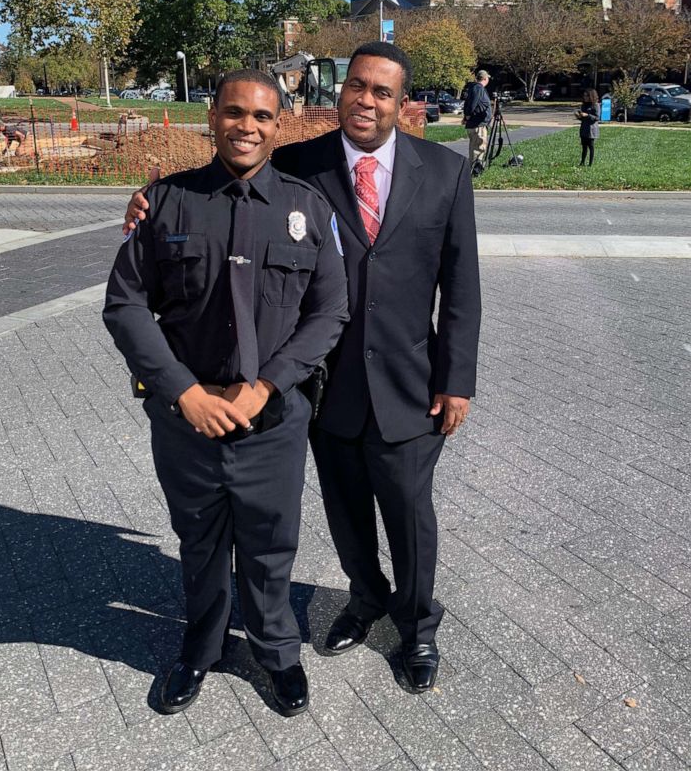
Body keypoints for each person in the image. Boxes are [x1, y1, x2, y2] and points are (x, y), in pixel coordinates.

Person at [123, 42, 481, 694]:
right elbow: (230, 191)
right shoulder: (296, 164)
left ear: (402, 104)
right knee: (346, 513)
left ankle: (419, 627)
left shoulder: (445, 172)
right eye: (357, 87)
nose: (366, 100)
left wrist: (456, 379)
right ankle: (365, 601)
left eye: (381, 92)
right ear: (341, 92)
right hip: (323, 384)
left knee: (407, 511)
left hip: (410, 383)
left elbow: (461, 285)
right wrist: (148, 207)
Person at [104, 69, 348, 718]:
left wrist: (266, 385)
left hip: (271, 418)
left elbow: (330, 313)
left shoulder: (307, 209)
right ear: (212, 117)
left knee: (271, 544)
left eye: (262, 116)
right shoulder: (165, 203)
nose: (247, 126)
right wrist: (182, 392)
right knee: (201, 542)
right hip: (187, 418)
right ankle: (201, 647)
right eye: (234, 113)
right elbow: (124, 304)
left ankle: (277, 652)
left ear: (279, 124)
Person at [462, 69, 492, 168]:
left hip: (477, 123)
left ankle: (476, 167)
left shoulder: (474, 88)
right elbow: (472, 104)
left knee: (477, 146)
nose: (488, 79)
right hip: (478, 124)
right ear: (484, 78)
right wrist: (468, 115)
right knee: (478, 147)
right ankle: (474, 169)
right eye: (487, 78)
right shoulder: (478, 88)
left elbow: (468, 103)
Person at [576, 89, 600, 166]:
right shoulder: (583, 106)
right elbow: (582, 118)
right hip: (584, 128)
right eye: (584, 95)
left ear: (591, 96)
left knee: (591, 146)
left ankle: (590, 164)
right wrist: (579, 116)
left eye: (587, 95)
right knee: (584, 147)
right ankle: (582, 162)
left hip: (591, 129)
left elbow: (597, 118)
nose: (585, 97)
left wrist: (587, 115)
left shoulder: (595, 105)